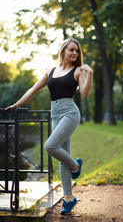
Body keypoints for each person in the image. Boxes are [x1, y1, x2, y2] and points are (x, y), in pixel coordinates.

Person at [6, 38, 93, 214]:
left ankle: (75, 167)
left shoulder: (78, 71)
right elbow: (33, 89)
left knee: (49, 146)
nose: (75, 53)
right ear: (63, 51)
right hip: (55, 114)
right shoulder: (51, 70)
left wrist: (89, 73)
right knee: (62, 156)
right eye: (71, 50)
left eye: (77, 51)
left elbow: (84, 92)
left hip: (70, 113)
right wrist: (16, 104)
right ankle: (69, 199)